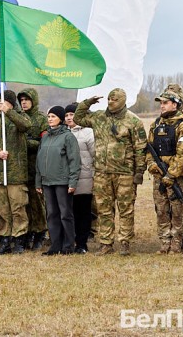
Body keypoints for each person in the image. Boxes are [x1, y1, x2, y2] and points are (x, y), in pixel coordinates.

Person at [74, 88, 147, 256]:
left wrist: (139, 172)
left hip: (125, 173)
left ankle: (124, 242)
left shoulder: (133, 121)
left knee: (125, 209)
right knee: (104, 209)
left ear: (123, 101)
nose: (110, 102)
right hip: (102, 172)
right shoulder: (99, 117)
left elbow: (140, 148)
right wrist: (87, 103)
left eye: (114, 99)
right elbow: (78, 118)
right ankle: (106, 243)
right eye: (108, 99)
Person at [0, 90, 33, 255]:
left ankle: (19, 239)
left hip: (15, 174)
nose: (1, 104)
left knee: (17, 207)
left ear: (11, 103)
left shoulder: (19, 118)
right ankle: (4, 238)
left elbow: (26, 126)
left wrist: (9, 112)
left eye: (4, 102)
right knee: (0, 208)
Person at [145, 91, 183, 254]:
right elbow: (149, 149)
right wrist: (151, 164)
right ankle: (164, 243)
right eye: (161, 103)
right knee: (161, 210)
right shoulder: (156, 124)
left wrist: (171, 175)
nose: (162, 106)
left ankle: (176, 244)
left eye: (165, 103)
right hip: (159, 176)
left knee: (177, 211)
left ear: (175, 104)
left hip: (175, 178)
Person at [35, 105, 81, 255]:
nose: (50, 119)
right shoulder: (46, 137)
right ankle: (55, 245)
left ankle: (68, 245)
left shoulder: (68, 137)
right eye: (48, 117)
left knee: (65, 213)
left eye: (53, 117)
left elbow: (74, 161)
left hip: (62, 181)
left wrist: (72, 182)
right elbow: (39, 160)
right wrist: (38, 181)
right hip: (47, 182)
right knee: (51, 214)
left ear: (60, 119)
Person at [17, 88, 49, 250]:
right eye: (21, 100)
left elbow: (44, 143)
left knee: (37, 203)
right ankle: (27, 231)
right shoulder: (18, 118)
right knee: (24, 203)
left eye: (27, 99)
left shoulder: (41, 119)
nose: (23, 102)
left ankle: (40, 232)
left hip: (36, 167)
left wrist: (26, 143)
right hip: (20, 168)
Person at [64, 103, 95, 254]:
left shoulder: (88, 133)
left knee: (82, 211)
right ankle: (69, 240)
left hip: (84, 178)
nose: (69, 118)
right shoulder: (62, 132)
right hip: (66, 179)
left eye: (72, 114)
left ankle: (82, 243)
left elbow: (95, 155)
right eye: (67, 115)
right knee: (69, 212)